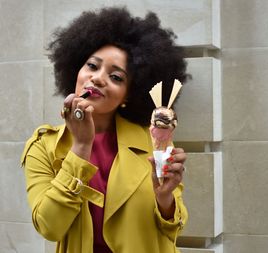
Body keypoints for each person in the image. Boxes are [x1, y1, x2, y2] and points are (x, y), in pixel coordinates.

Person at [21, 6, 188, 253]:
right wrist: (80, 147)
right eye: (91, 65)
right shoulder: (43, 146)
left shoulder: (153, 140)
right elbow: (49, 227)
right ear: (75, 71)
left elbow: (175, 227)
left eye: (116, 77)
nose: (98, 78)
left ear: (127, 96)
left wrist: (165, 199)